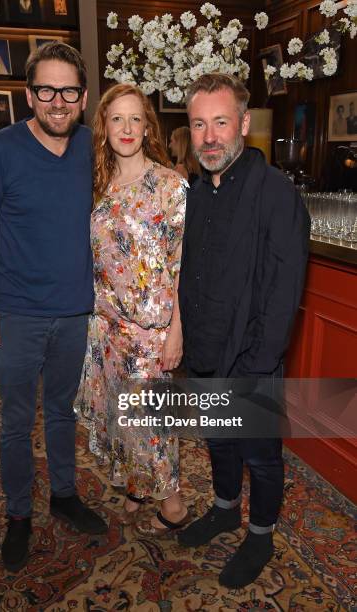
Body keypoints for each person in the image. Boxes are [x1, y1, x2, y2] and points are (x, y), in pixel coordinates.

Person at [0, 41, 107, 574]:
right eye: (46, 90)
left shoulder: (94, 146)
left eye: (68, 91)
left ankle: (64, 495)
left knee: (63, 412)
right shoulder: (0, 149)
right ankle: (19, 515)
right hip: (16, 313)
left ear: (83, 96)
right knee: (16, 422)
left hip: (76, 312)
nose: (57, 101)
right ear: (29, 95)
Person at [177, 73, 310, 588]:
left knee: (259, 452)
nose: (210, 137)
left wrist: (257, 366)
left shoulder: (275, 192)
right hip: (205, 352)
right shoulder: (193, 192)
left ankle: (260, 534)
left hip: (253, 358)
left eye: (221, 123)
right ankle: (225, 508)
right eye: (199, 125)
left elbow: (283, 292)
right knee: (218, 441)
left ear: (244, 124)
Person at [75, 83, 189, 536]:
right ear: (104, 125)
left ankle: (175, 506)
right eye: (116, 118)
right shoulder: (97, 184)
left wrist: (177, 330)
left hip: (149, 332)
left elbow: (183, 265)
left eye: (135, 119)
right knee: (121, 420)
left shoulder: (169, 185)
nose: (126, 128)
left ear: (147, 127)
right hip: (105, 327)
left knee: (151, 425)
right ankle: (138, 487)